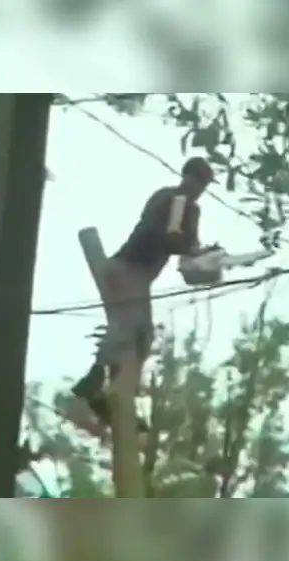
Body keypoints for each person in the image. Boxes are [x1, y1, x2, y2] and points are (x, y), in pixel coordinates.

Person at [71, 156, 215, 438]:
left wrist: (207, 259)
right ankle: (96, 378)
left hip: (140, 277)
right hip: (127, 268)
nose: (200, 189)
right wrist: (178, 241)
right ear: (187, 177)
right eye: (198, 181)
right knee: (129, 327)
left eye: (204, 185)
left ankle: (114, 394)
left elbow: (188, 254)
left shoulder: (192, 212)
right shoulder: (167, 197)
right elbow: (152, 232)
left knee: (142, 336)